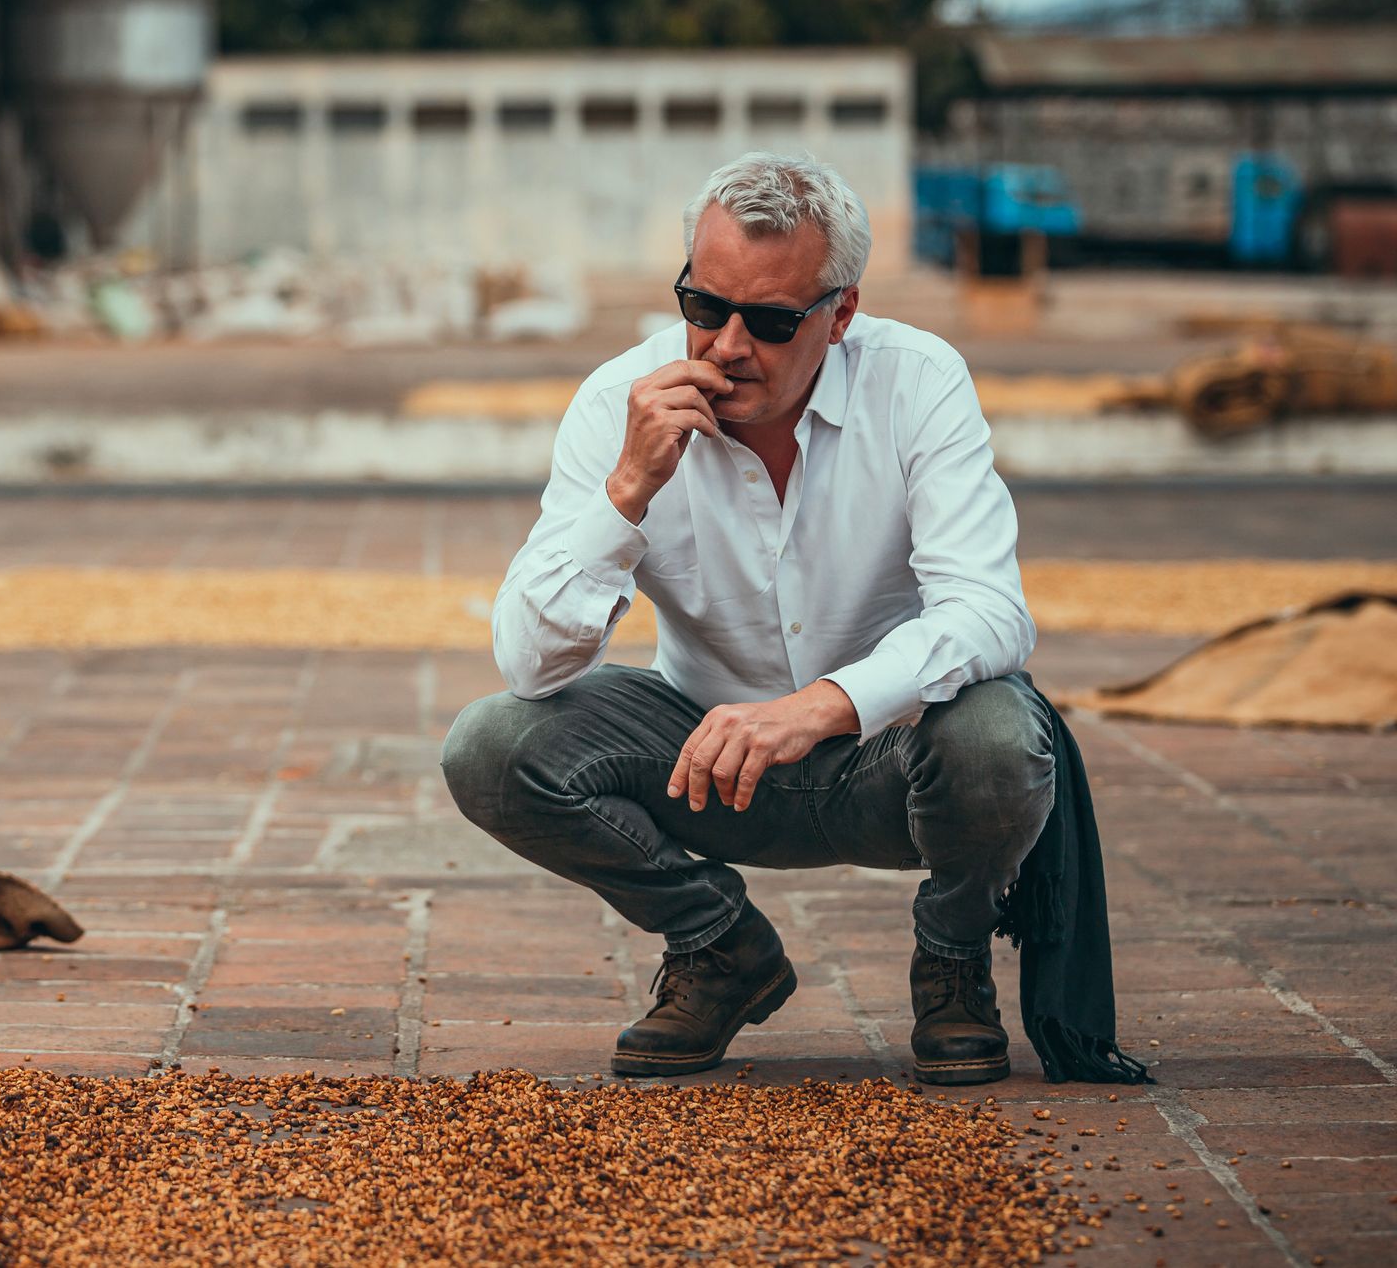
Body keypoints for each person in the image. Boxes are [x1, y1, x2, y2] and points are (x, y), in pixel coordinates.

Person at [441, 152, 1051, 1085]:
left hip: (890, 761)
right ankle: (718, 945)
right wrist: (628, 490)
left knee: (1003, 732)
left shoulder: (918, 381)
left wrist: (818, 706)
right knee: (488, 744)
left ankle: (955, 956)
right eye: (702, 307)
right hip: (705, 766)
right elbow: (528, 661)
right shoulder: (620, 401)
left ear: (841, 314)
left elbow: (989, 610)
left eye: (769, 321)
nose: (725, 346)